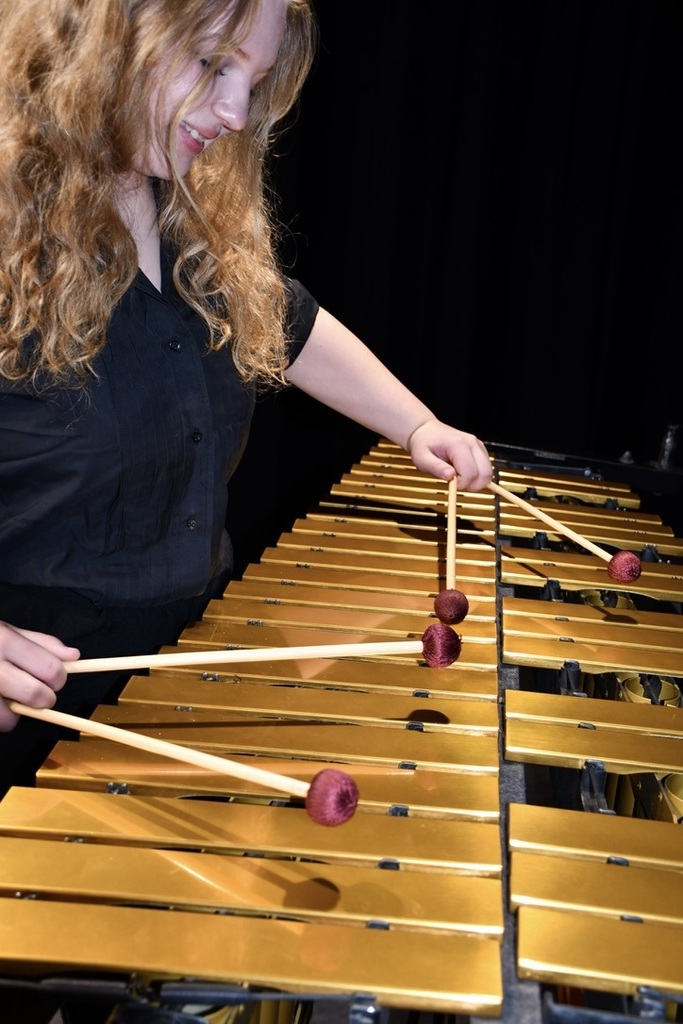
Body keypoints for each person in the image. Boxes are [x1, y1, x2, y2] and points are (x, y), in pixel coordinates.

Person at [0, 0, 492, 801]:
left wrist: (417, 424)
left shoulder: (187, 210)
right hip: (30, 723)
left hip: (172, 683)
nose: (233, 112)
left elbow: (287, 322)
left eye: (251, 79)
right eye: (210, 63)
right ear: (108, 34)